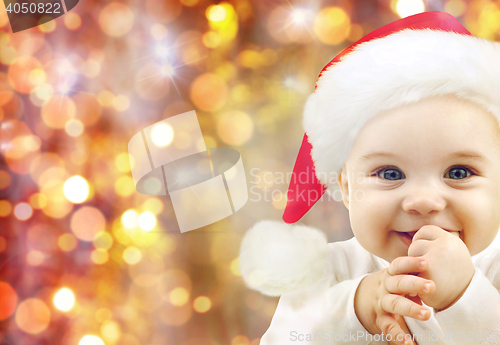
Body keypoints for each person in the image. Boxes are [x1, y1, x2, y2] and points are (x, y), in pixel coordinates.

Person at [239, 12, 500, 345]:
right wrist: (357, 309)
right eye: (391, 174)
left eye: (459, 173)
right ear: (347, 187)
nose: (423, 200)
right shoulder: (327, 272)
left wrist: (463, 297)